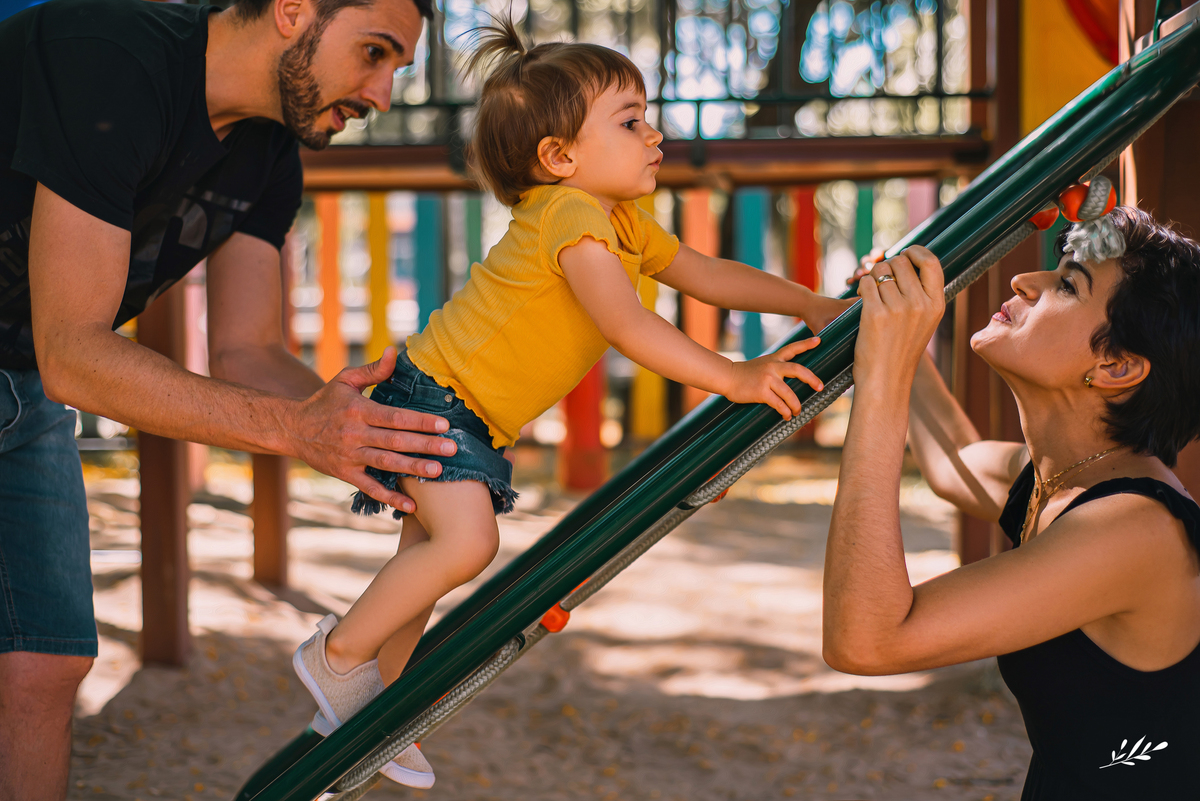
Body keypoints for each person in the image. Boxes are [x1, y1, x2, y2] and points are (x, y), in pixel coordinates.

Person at [290, 17, 854, 788]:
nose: (654, 135)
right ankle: (338, 655)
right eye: (630, 122)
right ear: (559, 157)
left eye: (647, 116)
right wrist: (735, 374)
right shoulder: (569, 215)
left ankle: (376, 710)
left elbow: (705, 271)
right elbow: (626, 323)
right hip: (438, 397)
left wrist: (809, 302)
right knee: (466, 546)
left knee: (424, 560)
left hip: (463, 408)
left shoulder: (619, 220)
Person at [0, 0, 457, 797]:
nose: (382, 93)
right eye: (374, 52)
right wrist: (301, 431)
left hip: (21, 386)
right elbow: (74, 352)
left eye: (397, 68)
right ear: (292, 11)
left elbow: (249, 350)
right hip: (46, 365)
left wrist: (381, 433)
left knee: (45, 662)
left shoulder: (271, 153)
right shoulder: (116, 56)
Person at [823, 207, 1200, 799]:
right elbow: (955, 464)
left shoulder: (1132, 528)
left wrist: (883, 377)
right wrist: (892, 330)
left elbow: (866, 639)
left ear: (1116, 365)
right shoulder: (1067, 480)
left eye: (1070, 283)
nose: (1028, 281)